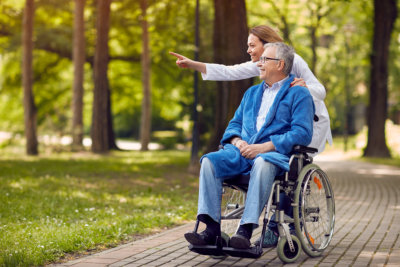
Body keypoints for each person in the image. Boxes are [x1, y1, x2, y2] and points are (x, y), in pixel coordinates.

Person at [184, 42, 315, 250]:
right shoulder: (251, 93)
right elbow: (234, 125)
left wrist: (263, 148)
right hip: (241, 152)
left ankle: (245, 230)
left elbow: (302, 133)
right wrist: (237, 141)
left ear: (280, 64)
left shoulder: (299, 93)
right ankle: (211, 229)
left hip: (272, 155)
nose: (259, 64)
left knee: (262, 162)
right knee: (209, 161)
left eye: (264, 60)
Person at [170, 25, 332, 154]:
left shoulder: (294, 60)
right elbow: (229, 71)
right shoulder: (259, 65)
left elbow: (320, 90)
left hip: (309, 120)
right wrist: (192, 64)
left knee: (295, 163)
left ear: (267, 44)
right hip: (281, 126)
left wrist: (305, 87)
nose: (248, 50)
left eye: (252, 45)